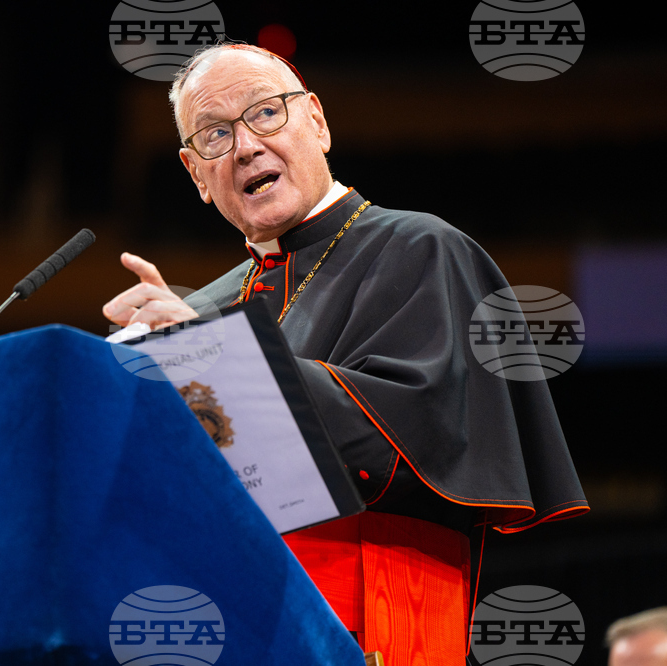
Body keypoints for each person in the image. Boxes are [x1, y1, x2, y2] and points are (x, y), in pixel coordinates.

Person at [102, 42, 589, 663]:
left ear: (318, 122)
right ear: (197, 174)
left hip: (374, 616)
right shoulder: (202, 311)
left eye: (265, 114)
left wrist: (224, 360)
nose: (246, 145)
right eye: (215, 135)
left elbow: (412, 439)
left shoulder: (423, 248)